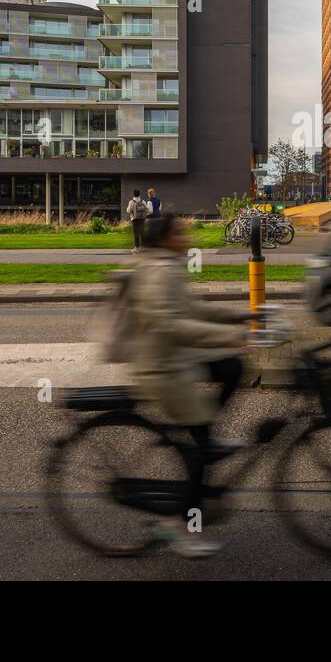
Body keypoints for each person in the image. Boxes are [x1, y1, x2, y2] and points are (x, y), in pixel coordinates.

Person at [104, 213, 250, 558]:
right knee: (199, 454)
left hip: (176, 356)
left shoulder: (166, 265)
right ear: (167, 238)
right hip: (161, 369)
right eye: (181, 232)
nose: (187, 236)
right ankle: (179, 525)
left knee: (232, 367)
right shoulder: (157, 271)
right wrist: (230, 336)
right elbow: (169, 324)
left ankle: (207, 434)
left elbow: (191, 309)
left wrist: (239, 316)